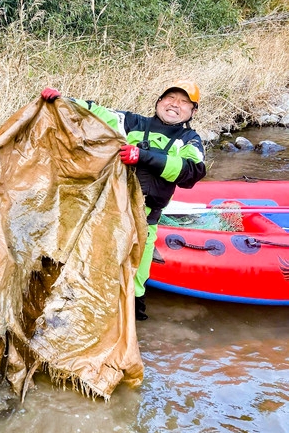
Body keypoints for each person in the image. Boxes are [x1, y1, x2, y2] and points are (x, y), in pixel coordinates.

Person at [41, 80, 206, 320]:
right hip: (110, 215)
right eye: (170, 98)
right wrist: (63, 101)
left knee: (137, 283)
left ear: (192, 111)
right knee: (91, 271)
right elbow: (95, 112)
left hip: (145, 222)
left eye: (183, 102)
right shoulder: (131, 123)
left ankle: (130, 331)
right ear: (159, 102)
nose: (174, 105)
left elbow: (191, 172)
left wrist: (144, 156)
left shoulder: (190, 140)